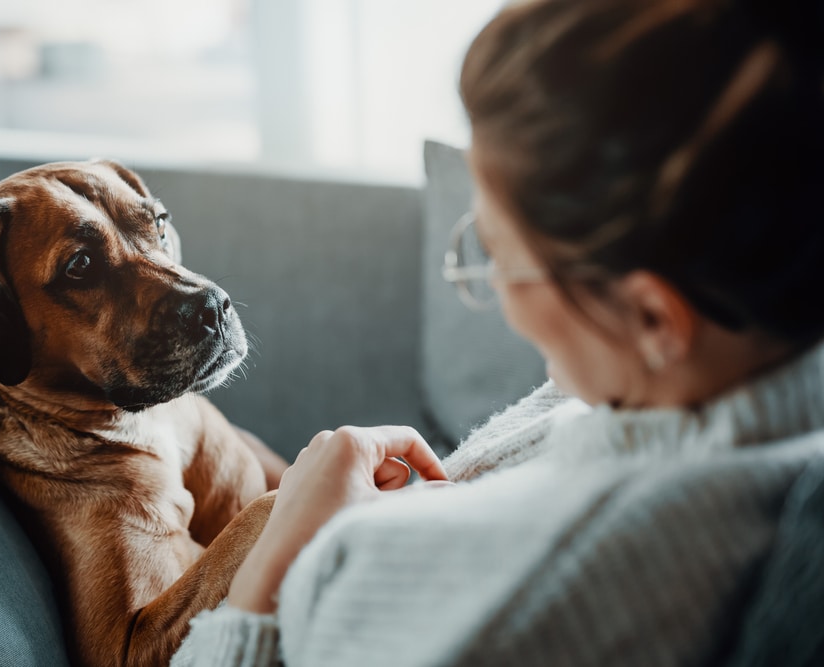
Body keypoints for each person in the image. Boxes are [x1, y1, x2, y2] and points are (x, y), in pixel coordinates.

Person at [171, 0, 824, 664]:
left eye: (497, 252)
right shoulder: (730, 370)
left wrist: (272, 566)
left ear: (654, 319)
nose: (489, 292)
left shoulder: (521, 601)